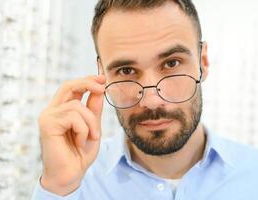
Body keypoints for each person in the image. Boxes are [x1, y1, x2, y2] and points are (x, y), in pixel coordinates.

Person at [31, 0, 258, 199]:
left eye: (171, 64)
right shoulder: (74, 182)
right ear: (102, 74)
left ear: (203, 63)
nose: (151, 101)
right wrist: (57, 190)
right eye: (127, 70)